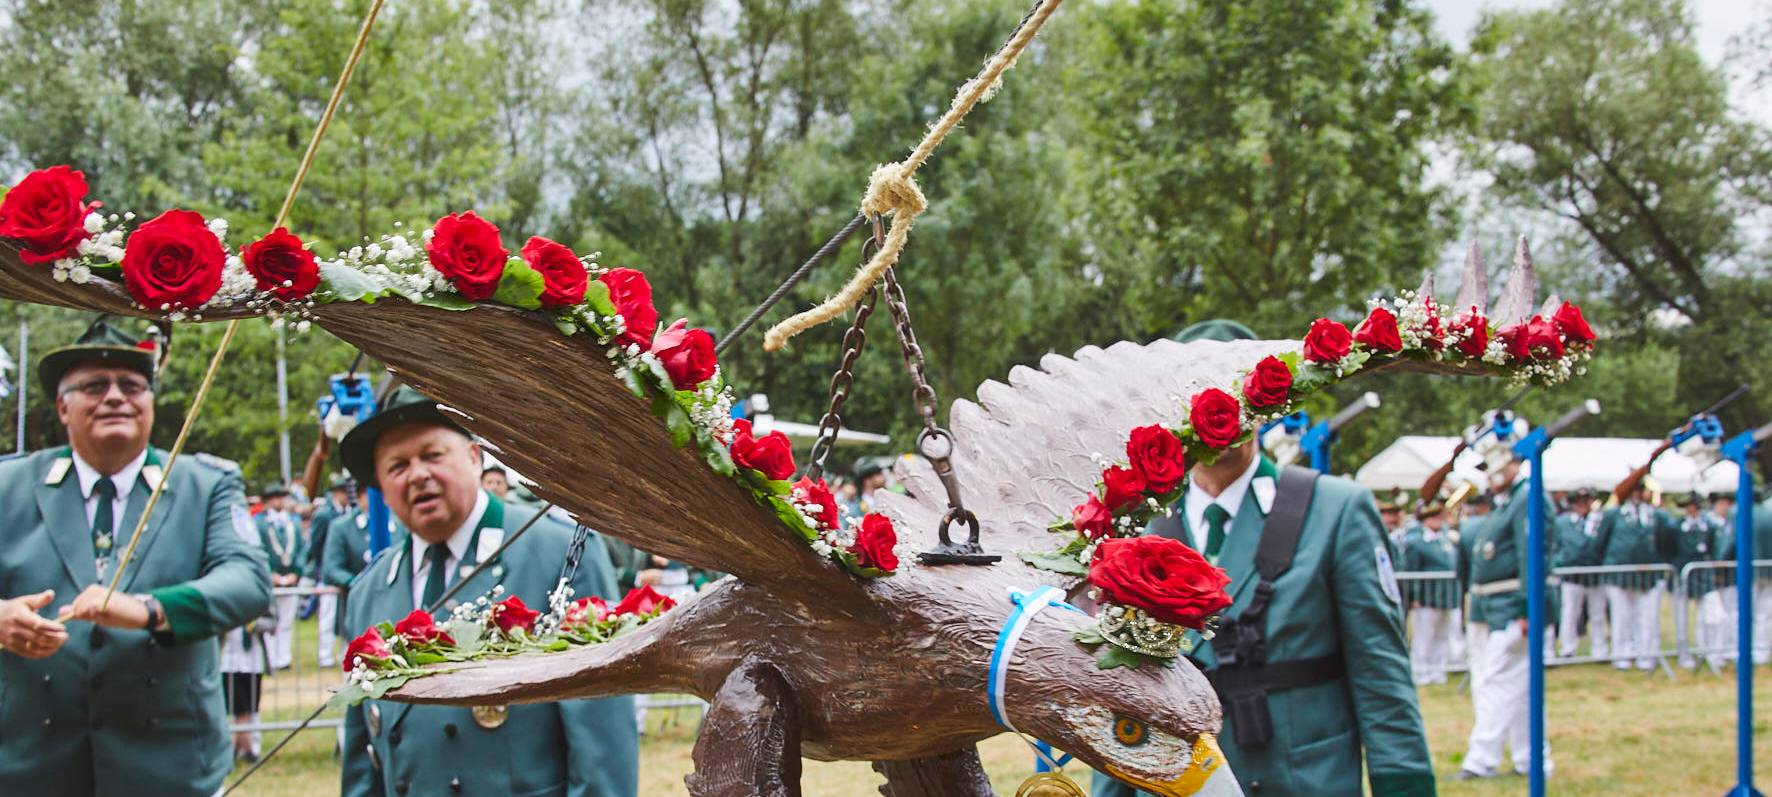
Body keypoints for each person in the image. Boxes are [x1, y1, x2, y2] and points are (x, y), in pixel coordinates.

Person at [0, 317, 271, 796]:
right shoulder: (9, 487)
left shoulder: (206, 484)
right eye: (94, 386)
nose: (115, 396)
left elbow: (248, 580)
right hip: (31, 765)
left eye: (132, 385)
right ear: (62, 407)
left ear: (151, 401)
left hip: (168, 765)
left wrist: (151, 610)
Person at [338, 387, 638, 797]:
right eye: (398, 466)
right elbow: (362, 756)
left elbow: (601, 737)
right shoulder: (368, 592)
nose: (418, 474)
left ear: (475, 458)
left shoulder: (557, 553)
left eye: (432, 455)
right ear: (382, 489)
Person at [1094, 438, 1434, 796]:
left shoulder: (1334, 509)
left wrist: (1404, 785)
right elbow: (1119, 686)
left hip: (1298, 779)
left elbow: (1380, 674)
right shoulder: (1139, 521)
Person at [1458, 447, 1554, 781]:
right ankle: (1531, 758)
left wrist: (1529, 607)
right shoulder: (1504, 502)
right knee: (1515, 689)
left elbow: (1532, 556)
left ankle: (1481, 759)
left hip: (1512, 607)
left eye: (1494, 467)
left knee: (1497, 684)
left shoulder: (1527, 497)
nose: (1489, 475)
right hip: (1489, 608)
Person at [1598, 483, 1673, 671]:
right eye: (1634, 491)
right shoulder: (1613, 514)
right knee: (1621, 617)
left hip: (1647, 575)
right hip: (1619, 574)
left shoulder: (1655, 515)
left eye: (1640, 491)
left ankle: (1645, 654)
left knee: (1646, 617)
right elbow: (1601, 541)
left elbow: (1665, 540)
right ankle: (1621, 654)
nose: (1637, 495)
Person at [1399, 503, 1459, 685]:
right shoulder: (1416, 542)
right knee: (1423, 637)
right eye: (1433, 517)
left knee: (1442, 635)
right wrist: (1414, 596)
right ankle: (1420, 671)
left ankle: (1438, 671)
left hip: (1446, 596)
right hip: (1426, 597)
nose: (1437, 521)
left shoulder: (1445, 540)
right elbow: (1412, 570)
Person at [1553, 488, 1608, 660]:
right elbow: (1558, 544)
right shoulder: (1564, 522)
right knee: (1570, 612)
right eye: (1579, 502)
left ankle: (1599, 649)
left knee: (1597, 613)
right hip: (1572, 574)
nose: (1583, 505)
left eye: (1586, 502)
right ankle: (1568, 647)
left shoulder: (1598, 521)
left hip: (1594, 574)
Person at [258, 482, 304, 670]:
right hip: (271, 580)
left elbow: (302, 549)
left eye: (281, 497)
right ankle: (271, 657)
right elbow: (258, 550)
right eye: (274, 497)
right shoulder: (259, 523)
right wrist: (269, 574)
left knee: (287, 620)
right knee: (270, 621)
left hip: (291, 578)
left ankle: (283, 657)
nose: (278, 501)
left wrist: (297, 572)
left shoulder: (293, 522)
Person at [308, 476, 352, 668]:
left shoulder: (348, 512)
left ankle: (343, 652)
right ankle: (324, 655)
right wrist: (317, 568)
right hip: (326, 572)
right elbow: (315, 544)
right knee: (327, 617)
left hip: (343, 570)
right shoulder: (324, 515)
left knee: (343, 618)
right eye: (343, 492)